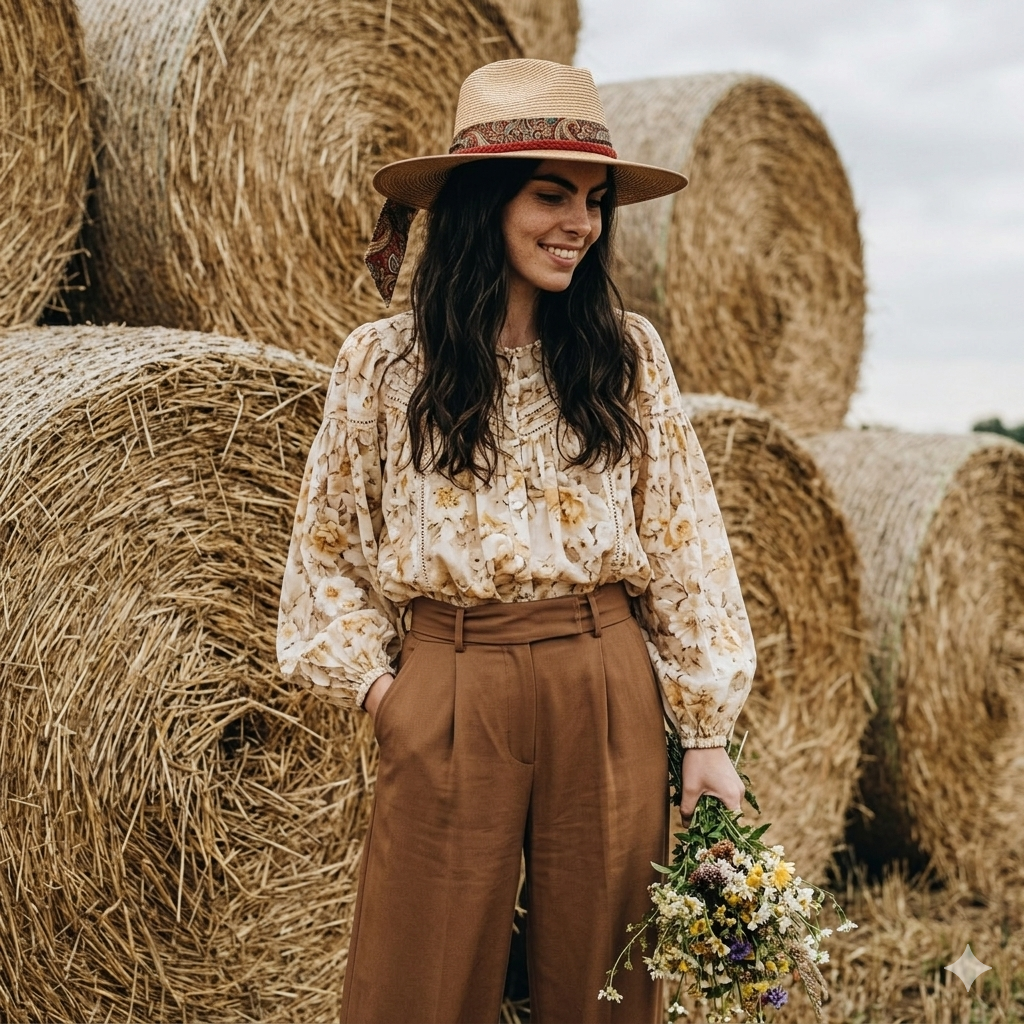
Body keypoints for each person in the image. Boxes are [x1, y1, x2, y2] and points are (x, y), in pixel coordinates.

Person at [277, 58, 756, 1024]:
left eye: (594, 200)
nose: (579, 222)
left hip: (606, 675)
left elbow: (686, 540)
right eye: (551, 195)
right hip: (451, 685)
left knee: (601, 983)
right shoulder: (382, 364)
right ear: (484, 201)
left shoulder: (628, 352)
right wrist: (387, 694)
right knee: (419, 978)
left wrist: (705, 732)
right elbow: (324, 553)